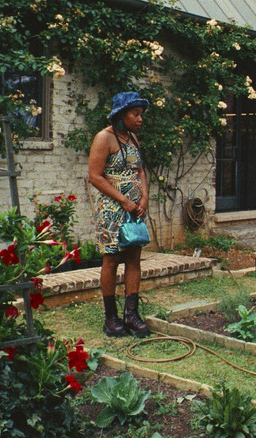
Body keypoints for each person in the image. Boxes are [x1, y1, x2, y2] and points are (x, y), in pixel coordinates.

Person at [88, 91, 151, 338]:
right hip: (113, 210)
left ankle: (131, 315)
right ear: (120, 115)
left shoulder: (133, 139)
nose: (139, 119)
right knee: (112, 259)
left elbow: (140, 171)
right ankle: (111, 317)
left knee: (134, 258)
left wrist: (144, 197)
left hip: (135, 210)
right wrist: (123, 200)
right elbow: (94, 175)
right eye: (135, 114)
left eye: (141, 115)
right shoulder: (104, 138)